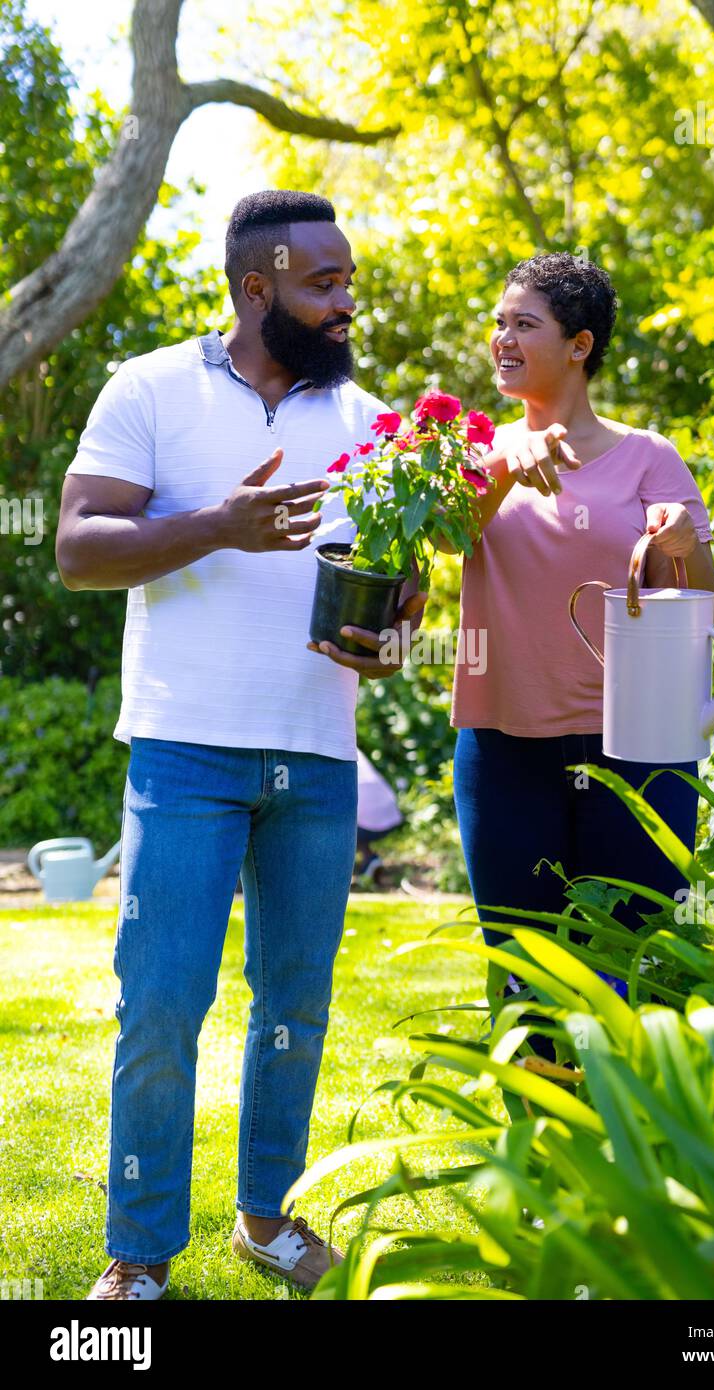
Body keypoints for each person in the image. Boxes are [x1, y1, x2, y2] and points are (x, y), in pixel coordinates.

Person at [55, 190, 426, 1301]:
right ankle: (138, 1254)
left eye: (351, 279)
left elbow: (402, 584)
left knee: (295, 1004)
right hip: (185, 749)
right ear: (257, 288)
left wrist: (395, 630)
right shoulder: (152, 388)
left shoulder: (369, 416)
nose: (348, 301)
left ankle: (265, 1215)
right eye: (327, 283)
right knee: (163, 1000)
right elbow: (78, 547)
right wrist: (219, 522)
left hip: (317, 755)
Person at [440, 253, 714, 1055]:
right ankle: (537, 1167)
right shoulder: (474, 454)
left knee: (631, 968)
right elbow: (440, 541)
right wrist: (499, 468)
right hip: (503, 749)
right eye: (498, 322)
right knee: (524, 973)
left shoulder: (648, 458)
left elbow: (704, 600)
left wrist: (677, 544)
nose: (501, 337)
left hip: (636, 749)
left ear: (578, 344)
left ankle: (631, 1157)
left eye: (523, 324)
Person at [354, 751, 403, 885]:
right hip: (389, 812)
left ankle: (368, 862)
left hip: (369, 816)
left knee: (337, 831)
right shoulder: (350, 747)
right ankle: (369, 861)